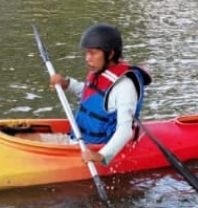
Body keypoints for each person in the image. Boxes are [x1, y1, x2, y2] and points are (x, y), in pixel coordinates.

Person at [48, 23, 152, 166]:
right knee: (19, 133)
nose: (87, 58)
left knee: (24, 137)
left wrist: (101, 156)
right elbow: (93, 95)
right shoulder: (100, 70)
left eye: (93, 53)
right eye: (86, 53)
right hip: (78, 139)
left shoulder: (125, 86)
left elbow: (125, 130)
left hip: (95, 148)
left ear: (110, 54)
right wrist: (66, 84)